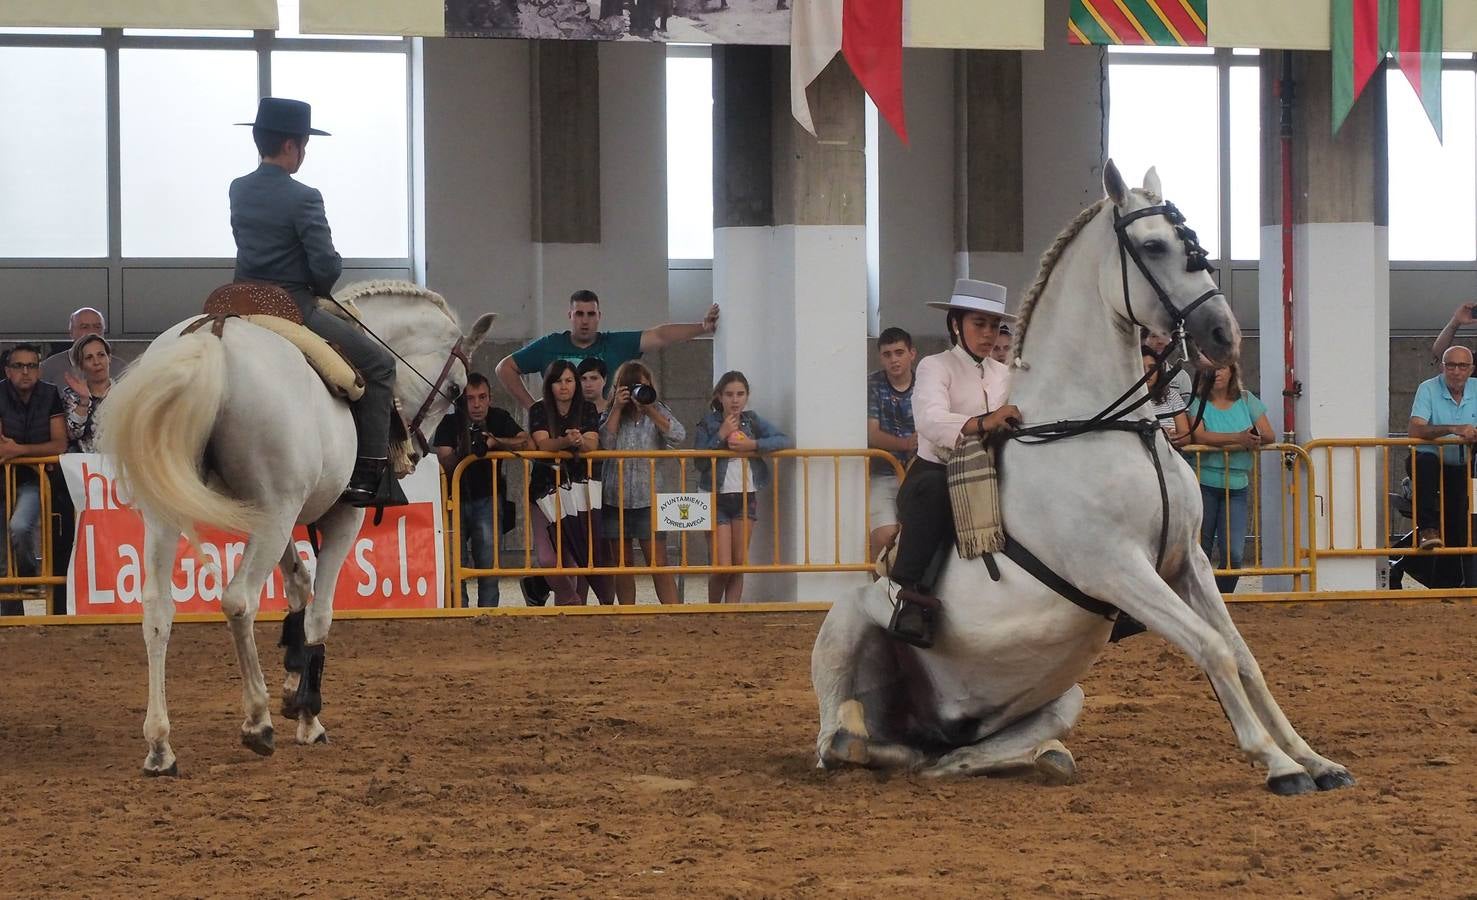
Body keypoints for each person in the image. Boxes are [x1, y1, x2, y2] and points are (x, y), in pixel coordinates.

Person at [229, 96, 398, 507]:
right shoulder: (304, 196)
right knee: (380, 365)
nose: (304, 153)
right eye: (304, 144)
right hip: (292, 307)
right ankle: (369, 473)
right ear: (291, 145)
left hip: (241, 302)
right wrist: (322, 273)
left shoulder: (238, 188)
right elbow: (325, 268)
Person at [886, 280, 1021, 647]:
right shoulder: (934, 366)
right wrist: (983, 422)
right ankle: (913, 600)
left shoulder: (1006, 374)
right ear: (955, 325)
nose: (989, 334)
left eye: (994, 325)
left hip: (993, 470)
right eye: (980, 324)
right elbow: (929, 420)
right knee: (935, 494)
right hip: (938, 472)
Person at [495, 289, 720, 410]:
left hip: (603, 430)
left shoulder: (615, 343)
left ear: (599, 316)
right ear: (570, 316)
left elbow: (660, 335)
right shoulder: (549, 345)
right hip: (558, 431)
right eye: (579, 314)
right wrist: (532, 407)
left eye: (591, 314)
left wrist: (702, 327)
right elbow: (505, 368)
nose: (585, 321)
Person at [694, 371, 792, 604]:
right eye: (729, 394)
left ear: (747, 396)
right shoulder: (708, 422)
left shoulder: (752, 420)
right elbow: (699, 460)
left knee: (739, 563)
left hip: (745, 496)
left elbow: (783, 440)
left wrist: (753, 445)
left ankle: (732, 612)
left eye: (740, 394)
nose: (735, 400)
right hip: (715, 497)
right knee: (722, 565)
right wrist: (721, 435)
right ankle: (714, 609)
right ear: (719, 397)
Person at [433, 373, 529, 608]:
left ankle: (488, 613)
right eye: (470, 398)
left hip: (488, 498)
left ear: (490, 398)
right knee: (455, 563)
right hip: (453, 499)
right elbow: (444, 458)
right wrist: (466, 449)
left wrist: (495, 442)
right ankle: (458, 612)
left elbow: (525, 442)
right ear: (461, 402)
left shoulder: (499, 417)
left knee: (489, 563)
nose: (476, 404)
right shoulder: (449, 423)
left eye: (482, 397)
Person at [528, 360, 613, 605]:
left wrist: (578, 441)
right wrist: (569, 441)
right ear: (549, 385)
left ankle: (567, 609)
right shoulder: (539, 409)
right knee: (547, 557)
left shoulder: (586, 409)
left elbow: (592, 444)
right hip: (544, 490)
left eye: (568, 380)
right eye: (557, 381)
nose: (564, 386)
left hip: (578, 489)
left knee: (572, 556)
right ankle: (571, 600)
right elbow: (544, 445)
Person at [600, 360, 685, 604]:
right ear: (620, 388)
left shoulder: (658, 409)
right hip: (615, 498)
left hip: (649, 499)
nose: (640, 392)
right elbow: (605, 443)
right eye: (633, 387)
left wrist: (650, 410)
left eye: (644, 386)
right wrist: (616, 408)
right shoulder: (611, 412)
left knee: (658, 562)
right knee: (623, 565)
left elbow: (678, 435)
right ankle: (628, 615)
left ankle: (673, 615)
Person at [1187, 361, 1275, 594]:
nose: (1217, 373)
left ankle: (1222, 598)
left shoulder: (1246, 400)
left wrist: (1252, 439)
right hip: (1203, 482)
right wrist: (1238, 438)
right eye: (1212, 368)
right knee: (1200, 548)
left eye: (1222, 367)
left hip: (1236, 484)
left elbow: (1268, 434)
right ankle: (1202, 597)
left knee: (1234, 554)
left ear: (1232, 371)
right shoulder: (1197, 403)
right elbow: (1200, 436)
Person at [0, 344, 67, 616]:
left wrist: (19, 451)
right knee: (3, 556)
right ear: (7, 370)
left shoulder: (50, 394)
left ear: (39, 369)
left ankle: (30, 576)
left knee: (19, 526)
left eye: (32, 366)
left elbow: (60, 443)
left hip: (35, 477)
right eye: (19, 366)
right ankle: (11, 618)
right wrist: (16, 450)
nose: (25, 372)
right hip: (3, 479)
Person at [1407, 345, 1477, 562]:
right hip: (1431, 462)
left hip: (1464, 464)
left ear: (1471, 369)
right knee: (1426, 461)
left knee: (1459, 522)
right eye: (1451, 365)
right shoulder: (1427, 388)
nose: (1456, 371)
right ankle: (1427, 530)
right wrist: (1453, 429)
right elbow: (1415, 429)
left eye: (1462, 366)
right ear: (1442, 367)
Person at [866, 326, 918, 569]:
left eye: (899, 352)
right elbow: (872, 434)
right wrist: (907, 443)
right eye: (887, 354)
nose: (894, 359)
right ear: (881, 357)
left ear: (912, 354)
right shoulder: (872, 385)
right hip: (882, 473)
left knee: (921, 537)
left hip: (922, 473)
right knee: (884, 536)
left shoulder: (927, 384)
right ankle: (881, 591)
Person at [60, 335, 114, 454]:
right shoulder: (71, 395)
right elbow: (73, 435)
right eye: (89, 358)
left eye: (101, 355)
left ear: (109, 358)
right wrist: (84, 400)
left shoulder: (124, 391)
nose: (96, 362)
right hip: (84, 467)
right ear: (81, 365)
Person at [40, 307, 105, 386]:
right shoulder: (48, 368)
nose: (91, 332)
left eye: (97, 327)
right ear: (71, 331)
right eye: (84, 327)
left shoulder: (120, 368)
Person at [1142, 345, 1191, 447]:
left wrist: (1168, 437)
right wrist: (1159, 434)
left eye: (1152, 368)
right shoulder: (1127, 401)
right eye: (1141, 367)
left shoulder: (1172, 396)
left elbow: (1185, 436)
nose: (1147, 372)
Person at [1142, 327, 1196, 405]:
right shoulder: (1131, 374)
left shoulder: (1181, 375)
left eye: (1164, 335)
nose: (1160, 341)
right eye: (1154, 336)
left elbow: (1186, 408)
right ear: (1144, 340)